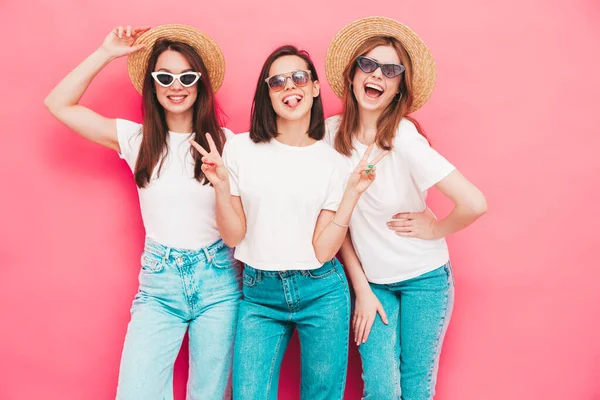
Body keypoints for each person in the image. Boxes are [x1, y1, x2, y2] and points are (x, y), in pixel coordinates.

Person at [44, 24, 241, 400]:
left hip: (219, 283)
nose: (176, 85)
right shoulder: (135, 139)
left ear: (200, 82)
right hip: (159, 285)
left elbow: (243, 224)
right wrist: (106, 53)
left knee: (210, 394)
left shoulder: (229, 145)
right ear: (152, 84)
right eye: (164, 76)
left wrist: (223, 184)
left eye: (186, 76)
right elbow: (58, 104)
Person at [191, 44, 386, 400]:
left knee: (321, 394)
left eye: (298, 77)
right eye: (277, 81)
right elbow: (234, 235)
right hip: (259, 293)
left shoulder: (332, 163)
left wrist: (352, 193)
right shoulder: (240, 149)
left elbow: (324, 249)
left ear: (313, 88)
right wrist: (220, 187)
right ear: (267, 93)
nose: (289, 87)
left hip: (321, 291)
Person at [324, 16, 488, 399]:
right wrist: (361, 288)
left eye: (390, 69)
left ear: (399, 87)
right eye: (368, 64)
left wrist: (434, 229)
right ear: (352, 75)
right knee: (381, 390)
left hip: (425, 280)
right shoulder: (330, 137)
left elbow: (474, 203)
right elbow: (338, 223)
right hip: (373, 283)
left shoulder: (404, 138)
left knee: (416, 388)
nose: (377, 74)